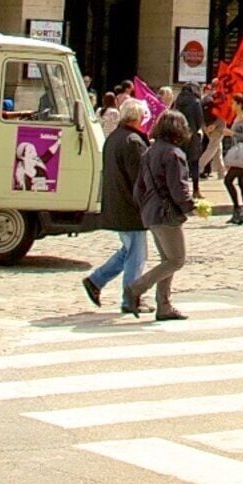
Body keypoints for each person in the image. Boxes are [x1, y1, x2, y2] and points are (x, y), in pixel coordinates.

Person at [83, 99, 154, 312]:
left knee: (129, 251)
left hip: (117, 202)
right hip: (130, 207)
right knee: (137, 255)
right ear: (137, 118)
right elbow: (140, 179)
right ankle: (130, 299)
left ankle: (96, 280)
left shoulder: (114, 138)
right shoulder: (132, 141)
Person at [129, 111, 199, 321]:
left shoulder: (149, 152)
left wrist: (144, 207)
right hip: (166, 213)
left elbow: (138, 188)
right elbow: (178, 188)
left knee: (167, 260)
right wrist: (191, 206)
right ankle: (136, 288)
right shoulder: (174, 154)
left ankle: (164, 306)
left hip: (151, 211)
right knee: (176, 260)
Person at [219, 103, 243, 226]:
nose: (232, 105)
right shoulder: (238, 117)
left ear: (240, 104)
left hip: (241, 154)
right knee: (242, 184)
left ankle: (239, 210)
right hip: (238, 154)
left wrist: (231, 133)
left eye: (234, 103)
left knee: (228, 181)